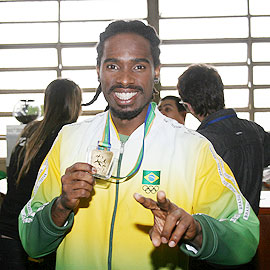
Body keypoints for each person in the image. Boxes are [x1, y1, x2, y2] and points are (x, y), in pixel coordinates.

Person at [19, 20, 259, 270]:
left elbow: (245, 239)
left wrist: (197, 231)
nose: (124, 79)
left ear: (156, 71)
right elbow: (32, 244)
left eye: (138, 66)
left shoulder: (192, 147)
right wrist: (61, 206)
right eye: (112, 65)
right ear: (98, 70)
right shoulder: (69, 139)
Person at [0, 78, 82, 270]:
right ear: (74, 103)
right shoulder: (65, 136)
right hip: (30, 234)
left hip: (7, 227)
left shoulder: (30, 130)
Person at [177, 63, 270, 216]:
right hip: (250, 232)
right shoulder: (256, 131)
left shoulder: (199, 143)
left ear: (189, 106)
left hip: (217, 234)